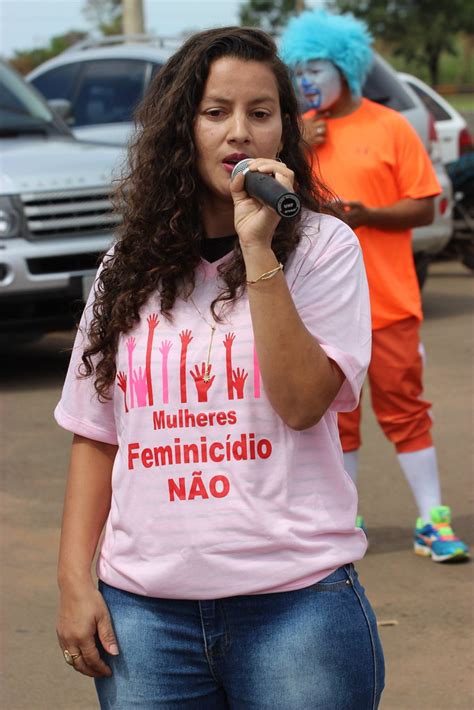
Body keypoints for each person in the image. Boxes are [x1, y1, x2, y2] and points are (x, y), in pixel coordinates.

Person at [54, 26, 384, 709]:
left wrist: (259, 250)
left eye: (261, 113)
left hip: (296, 608)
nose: (240, 132)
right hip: (144, 618)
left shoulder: (324, 248)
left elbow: (301, 402)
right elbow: (95, 433)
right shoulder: (127, 268)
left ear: (285, 132)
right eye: (215, 112)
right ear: (182, 127)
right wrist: (73, 582)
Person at [281, 10, 469, 563]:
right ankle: (342, 520)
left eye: (317, 68)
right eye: (299, 70)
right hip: (317, 308)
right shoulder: (292, 133)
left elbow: (424, 203)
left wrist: (368, 215)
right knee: (336, 418)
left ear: (346, 68)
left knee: (405, 408)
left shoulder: (390, 126)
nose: (307, 80)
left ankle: (432, 522)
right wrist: (298, 143)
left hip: (388, 302)